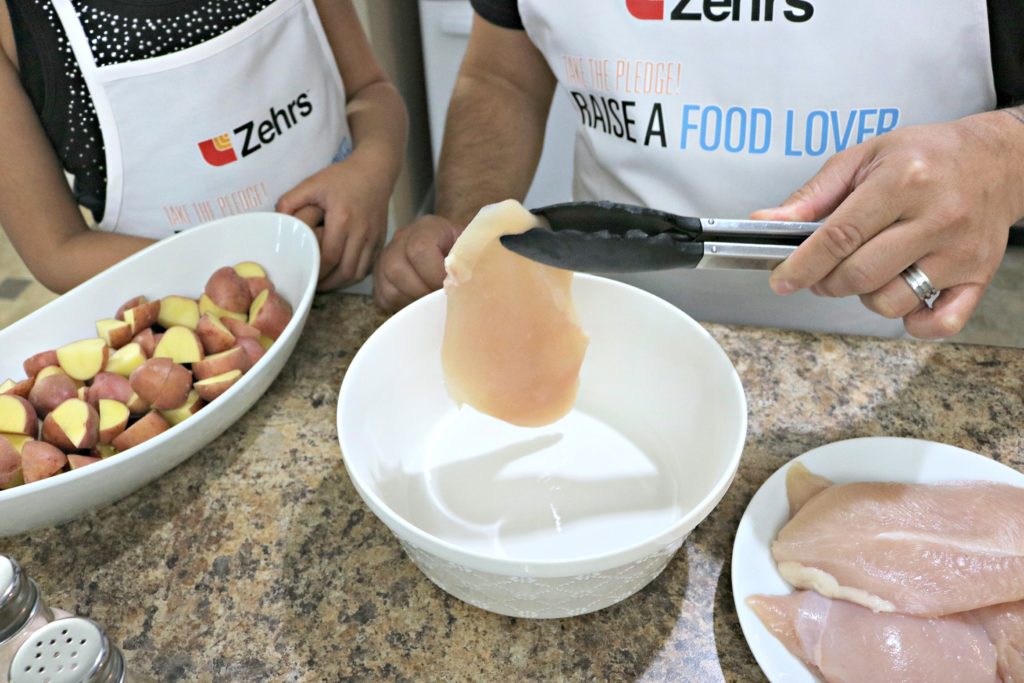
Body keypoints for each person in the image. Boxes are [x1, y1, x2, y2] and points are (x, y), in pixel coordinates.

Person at [374, 0, 1024, 339]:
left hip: (877, 331)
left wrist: (1003, 153)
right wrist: (470, 232)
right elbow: (500, 76)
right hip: (612, 328)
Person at [0, 0, 406, 293]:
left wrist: (370, 167)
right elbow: (57, 250)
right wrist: (245, 266)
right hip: (182, 342)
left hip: (352, 289)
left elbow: (370, 89)